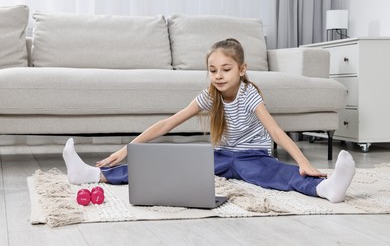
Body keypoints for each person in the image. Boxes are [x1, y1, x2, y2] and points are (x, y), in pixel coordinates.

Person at [63, 38, 356, 203]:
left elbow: (276, 130)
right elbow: (167, 124)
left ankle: (324, 189)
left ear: (242, 69)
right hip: (220, 156)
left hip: (251, 157)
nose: (218, 75)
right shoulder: (210, 95)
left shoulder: (248, 93)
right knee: (165, 165)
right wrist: (126, 150)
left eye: (226, 69)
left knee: (278, 175)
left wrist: (303, 161)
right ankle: (91, 175)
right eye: (213, 69)